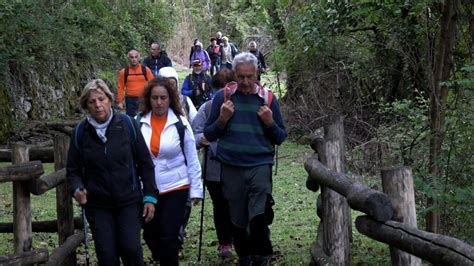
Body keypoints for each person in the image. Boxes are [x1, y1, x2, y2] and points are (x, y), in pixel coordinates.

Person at [204, 53, 287, 265]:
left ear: (257, 73)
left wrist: (269, 122)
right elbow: (209, 134)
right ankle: (245, 257)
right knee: (237, 218)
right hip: (231, 166)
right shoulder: (223, 97)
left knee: (258, 215)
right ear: (234, 74)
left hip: (259, 164)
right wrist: (222, 120)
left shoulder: (268, 99)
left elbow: (280, 137)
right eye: (241, 77)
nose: (246, 82)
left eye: (250, 76)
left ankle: (261, 257)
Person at [67, 79, 157, 266]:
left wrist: (149, 196)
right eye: (92, 102)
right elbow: (73, 170)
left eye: (101, 99)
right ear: (86, 105)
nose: (98, 105)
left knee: (131, 249)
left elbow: (145, 163)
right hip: (98, 204)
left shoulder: (127, 124)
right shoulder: (80, 132)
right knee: (107, 256)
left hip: (129, 200)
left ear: (109, 99)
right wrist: (77, 188)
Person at [140, 77, 203, 266]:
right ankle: (164, 257)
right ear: (148, 99)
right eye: (155, 98)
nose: (159, 102)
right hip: (148, 189)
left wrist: (196, 190)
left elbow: (192, 158)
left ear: (170, 99)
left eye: (163, 98)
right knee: (151, 235)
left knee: (169, 236)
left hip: (176, 187)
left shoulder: (181, 124)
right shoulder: (138, 123)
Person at [191, 68, 235, 260]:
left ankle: (237, 240)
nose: (222, 94)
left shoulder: (242, 106)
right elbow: (194, 135)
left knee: (235, 204)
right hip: (213, 168)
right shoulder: (207, 108)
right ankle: (224, 242)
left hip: (237, 166)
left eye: (225, 88)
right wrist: (203, 140)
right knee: (220, 205)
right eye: (218, 89)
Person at [117, 49, 154, 117]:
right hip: (130, 100)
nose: (134, 59)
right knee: (131, 120)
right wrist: (120, 101)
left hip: (143, 99)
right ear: (128, 58)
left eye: (136, 57)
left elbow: (153, 84)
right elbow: (120, 87)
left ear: (139, 58)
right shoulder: (124, 72)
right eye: (132, 57)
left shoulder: (145, 70)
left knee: (144, 118)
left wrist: (152, 98)